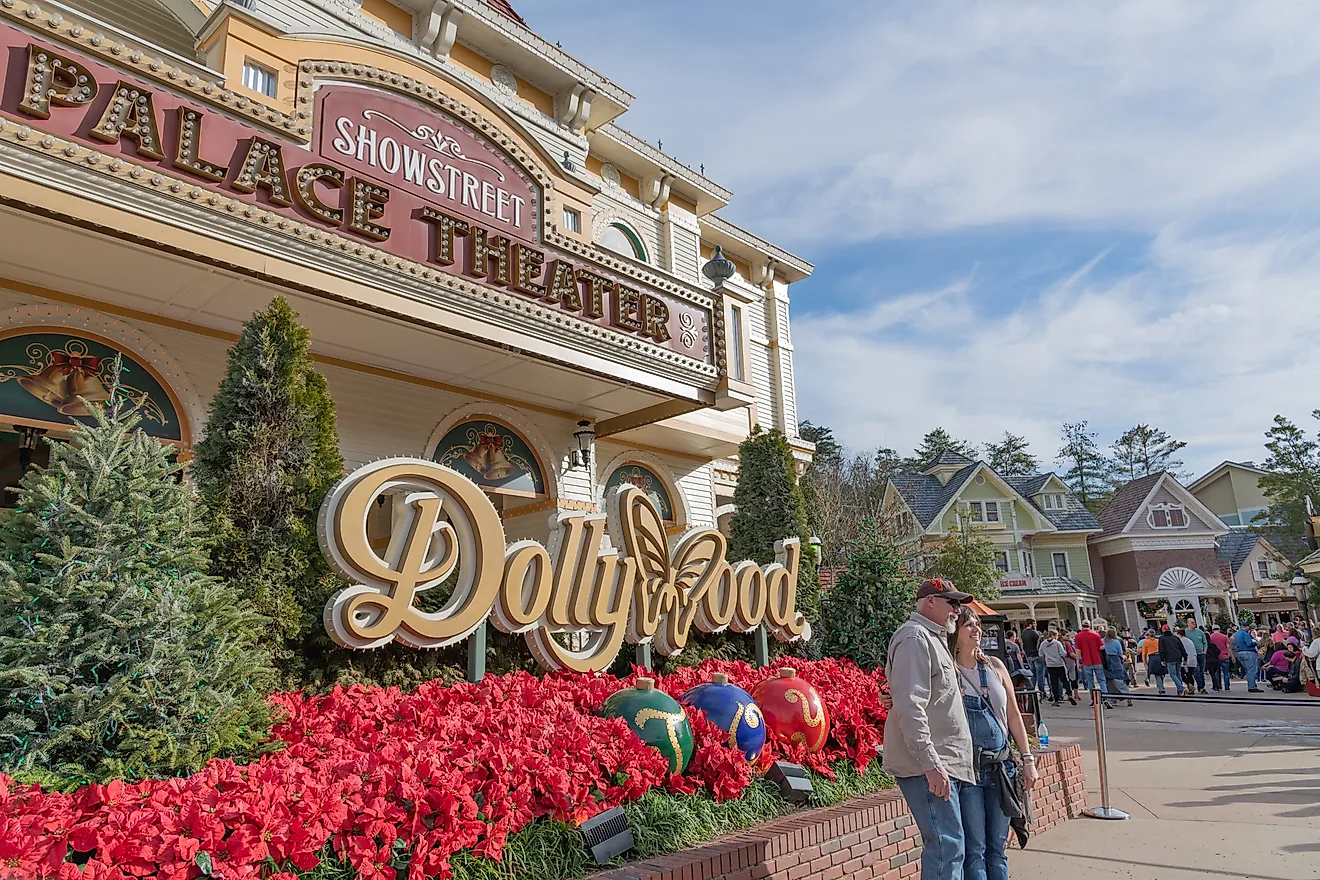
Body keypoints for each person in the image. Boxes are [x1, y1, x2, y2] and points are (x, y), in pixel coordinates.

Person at [885, 578, 976, 880]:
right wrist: (932, 764)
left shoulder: (932, 638)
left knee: (951, 847)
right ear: (930, 602)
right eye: (952, 603)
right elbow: (910, 708)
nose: (957, 610)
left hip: (944, 765)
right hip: (931, 767)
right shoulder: (915, 638)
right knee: (946, 848)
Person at [1040, 628, 1073, 706]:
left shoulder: (1043, 644)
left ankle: (1056, 698)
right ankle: (1069, 694)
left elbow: (1040, 654)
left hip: (1050, 665)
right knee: (1065, 680)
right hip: (1059, 664)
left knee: (1053, 682)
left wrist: (1046, 657)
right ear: (1054, 635)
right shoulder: (1057, 643)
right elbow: (1063, 653)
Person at [1103, 628, 1134, 707]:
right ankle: (1128, 696)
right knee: (1119, 679)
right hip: (1115, 660)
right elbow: (1120, 653)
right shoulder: (1116, 642)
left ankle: (1113, 698)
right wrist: (1123, 657)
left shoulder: (1103, 641)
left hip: (1105, 661)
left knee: (1109, 681)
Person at [1074, 620, 1105, 692]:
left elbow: (1078, 650)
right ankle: (1105, 697)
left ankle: (1094, 699)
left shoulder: (1078, 636)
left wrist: (1077, 661)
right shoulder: (1096, 635)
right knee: (1102, 680)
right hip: (1097, 660)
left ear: (1082, 626)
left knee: (1090, 682)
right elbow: (1101, 647)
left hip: (1086, 661)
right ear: (1090, 626)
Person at [1232, 622, 1262, 692]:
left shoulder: (1236, 634)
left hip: (1239, 653)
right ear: (1246, 627)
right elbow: (1249, 643)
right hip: (1248, 652)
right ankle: (1252, 687)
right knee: (1252, 670)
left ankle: (1251, 685)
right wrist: (1257, 643)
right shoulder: (1245, 633)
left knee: (1248, 670)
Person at [1158, 624, 1187, 695]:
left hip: (1169, 658)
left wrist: (1162, 659)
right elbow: (1182, 647)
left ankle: (1181, 688)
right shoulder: (1175, 637)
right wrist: (1185, 657)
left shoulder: (1162, 638)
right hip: (1178, 657)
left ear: (1163, 630)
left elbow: (1161, 650)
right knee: (1178, 673)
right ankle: (1180, 691)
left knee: (1173, 674)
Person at [1185, 617, 1209, 694]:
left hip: (1201, 653)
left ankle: (1202, 686)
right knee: (1196, 671)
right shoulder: (1186, 632)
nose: (1194, 623)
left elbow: (1205, 642)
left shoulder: (1199, 632)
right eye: (1192, 622)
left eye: (1194, 622)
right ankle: (1200, 687)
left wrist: (1204, 651)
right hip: (1192, 655)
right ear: (1188, 623)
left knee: (1201, 671)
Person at [1021, 620, 1044, 698]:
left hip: (1028, 655)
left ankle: (1031, 690)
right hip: (1036, 655)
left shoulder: (1023, 633)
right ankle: (1042, 692)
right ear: (1031, 624)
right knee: (1040, 674)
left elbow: (1023, 644)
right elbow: (1039, 644)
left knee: (1033, 674)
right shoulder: (1034, 633)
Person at [1208, 624, 1232, 691]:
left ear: (1212, 630)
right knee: (1226, 673)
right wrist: (1232, 656)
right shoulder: (1224, 637)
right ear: (1219, 629)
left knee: (1217, 673)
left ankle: (1218, 686)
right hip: (1224, 656)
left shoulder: (1210, 637)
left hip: (1215, 657)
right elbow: (1228, 647)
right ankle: (1227, 687)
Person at [1177, 627, 1198, 697]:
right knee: (1190, 675)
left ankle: (1189, 685)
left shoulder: (1179, 641)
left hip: (1184, 660)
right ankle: (1191, 689)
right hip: (1192, 659)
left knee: (1181, 674)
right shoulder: (1189, 640)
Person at [1063, 632, 1080, 701]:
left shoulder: (1060, 643)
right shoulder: (1067, 643)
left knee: (1066, 677)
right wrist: (1078, 658)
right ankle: (1075, 694)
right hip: (1070, 661)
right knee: (1073, 677)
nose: (1069, 637)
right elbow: (1071, 653)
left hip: (1063, 661)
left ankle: (1068, 693)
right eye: (1067, 636)